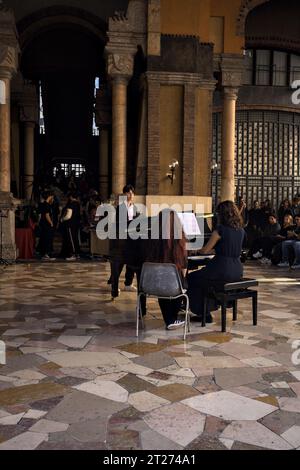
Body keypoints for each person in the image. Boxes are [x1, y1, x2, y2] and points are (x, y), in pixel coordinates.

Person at [187, 201, 245, 322]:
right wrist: (216, 250)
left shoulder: (220, 229)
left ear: (221, 214)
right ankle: (208, 307)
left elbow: (204, 251)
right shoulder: (241, 230)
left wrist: (195, 251)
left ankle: (203, 313)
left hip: (222, 269)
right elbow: (228, 246)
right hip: (237, 270)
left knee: (192, 277)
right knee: (205, 278)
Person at [147, 210, 187, 330]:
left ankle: (168, 319)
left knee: (163, 281)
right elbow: (184, 266)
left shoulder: (151, 239)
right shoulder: (180, 240)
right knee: (182, 279)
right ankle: (172, 318)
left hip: (155, 285)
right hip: (174, 286)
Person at [109, 185, 140, 298]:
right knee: (120, 261)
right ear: (124, 194)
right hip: (121, 238)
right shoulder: (120, 207)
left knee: (132, 260)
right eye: (128, 192)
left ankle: (128, 283)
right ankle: (114, 282)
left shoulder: (135, 207)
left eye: (132, 193)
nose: (131, 195)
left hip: (132, 237)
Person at [60, 192, 81, 261]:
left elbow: (68, 216)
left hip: (70, 224)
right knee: (75, 238)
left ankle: (73, 254)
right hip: (76, 224)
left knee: (71, 239)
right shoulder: (78, 204)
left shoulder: (71, 205)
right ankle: (77, 253)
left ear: (71, 197)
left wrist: (62, 219)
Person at [39, 191, 56, 261]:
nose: (53, 198)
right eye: (52, 196)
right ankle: (46, 254)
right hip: (46, 224)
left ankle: (45, 254)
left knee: (45, 238)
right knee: (47, 238)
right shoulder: (46, 205)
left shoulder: (44, 204)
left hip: (43, 224)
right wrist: (51, 222)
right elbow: (47, 215)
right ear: (50, 196)